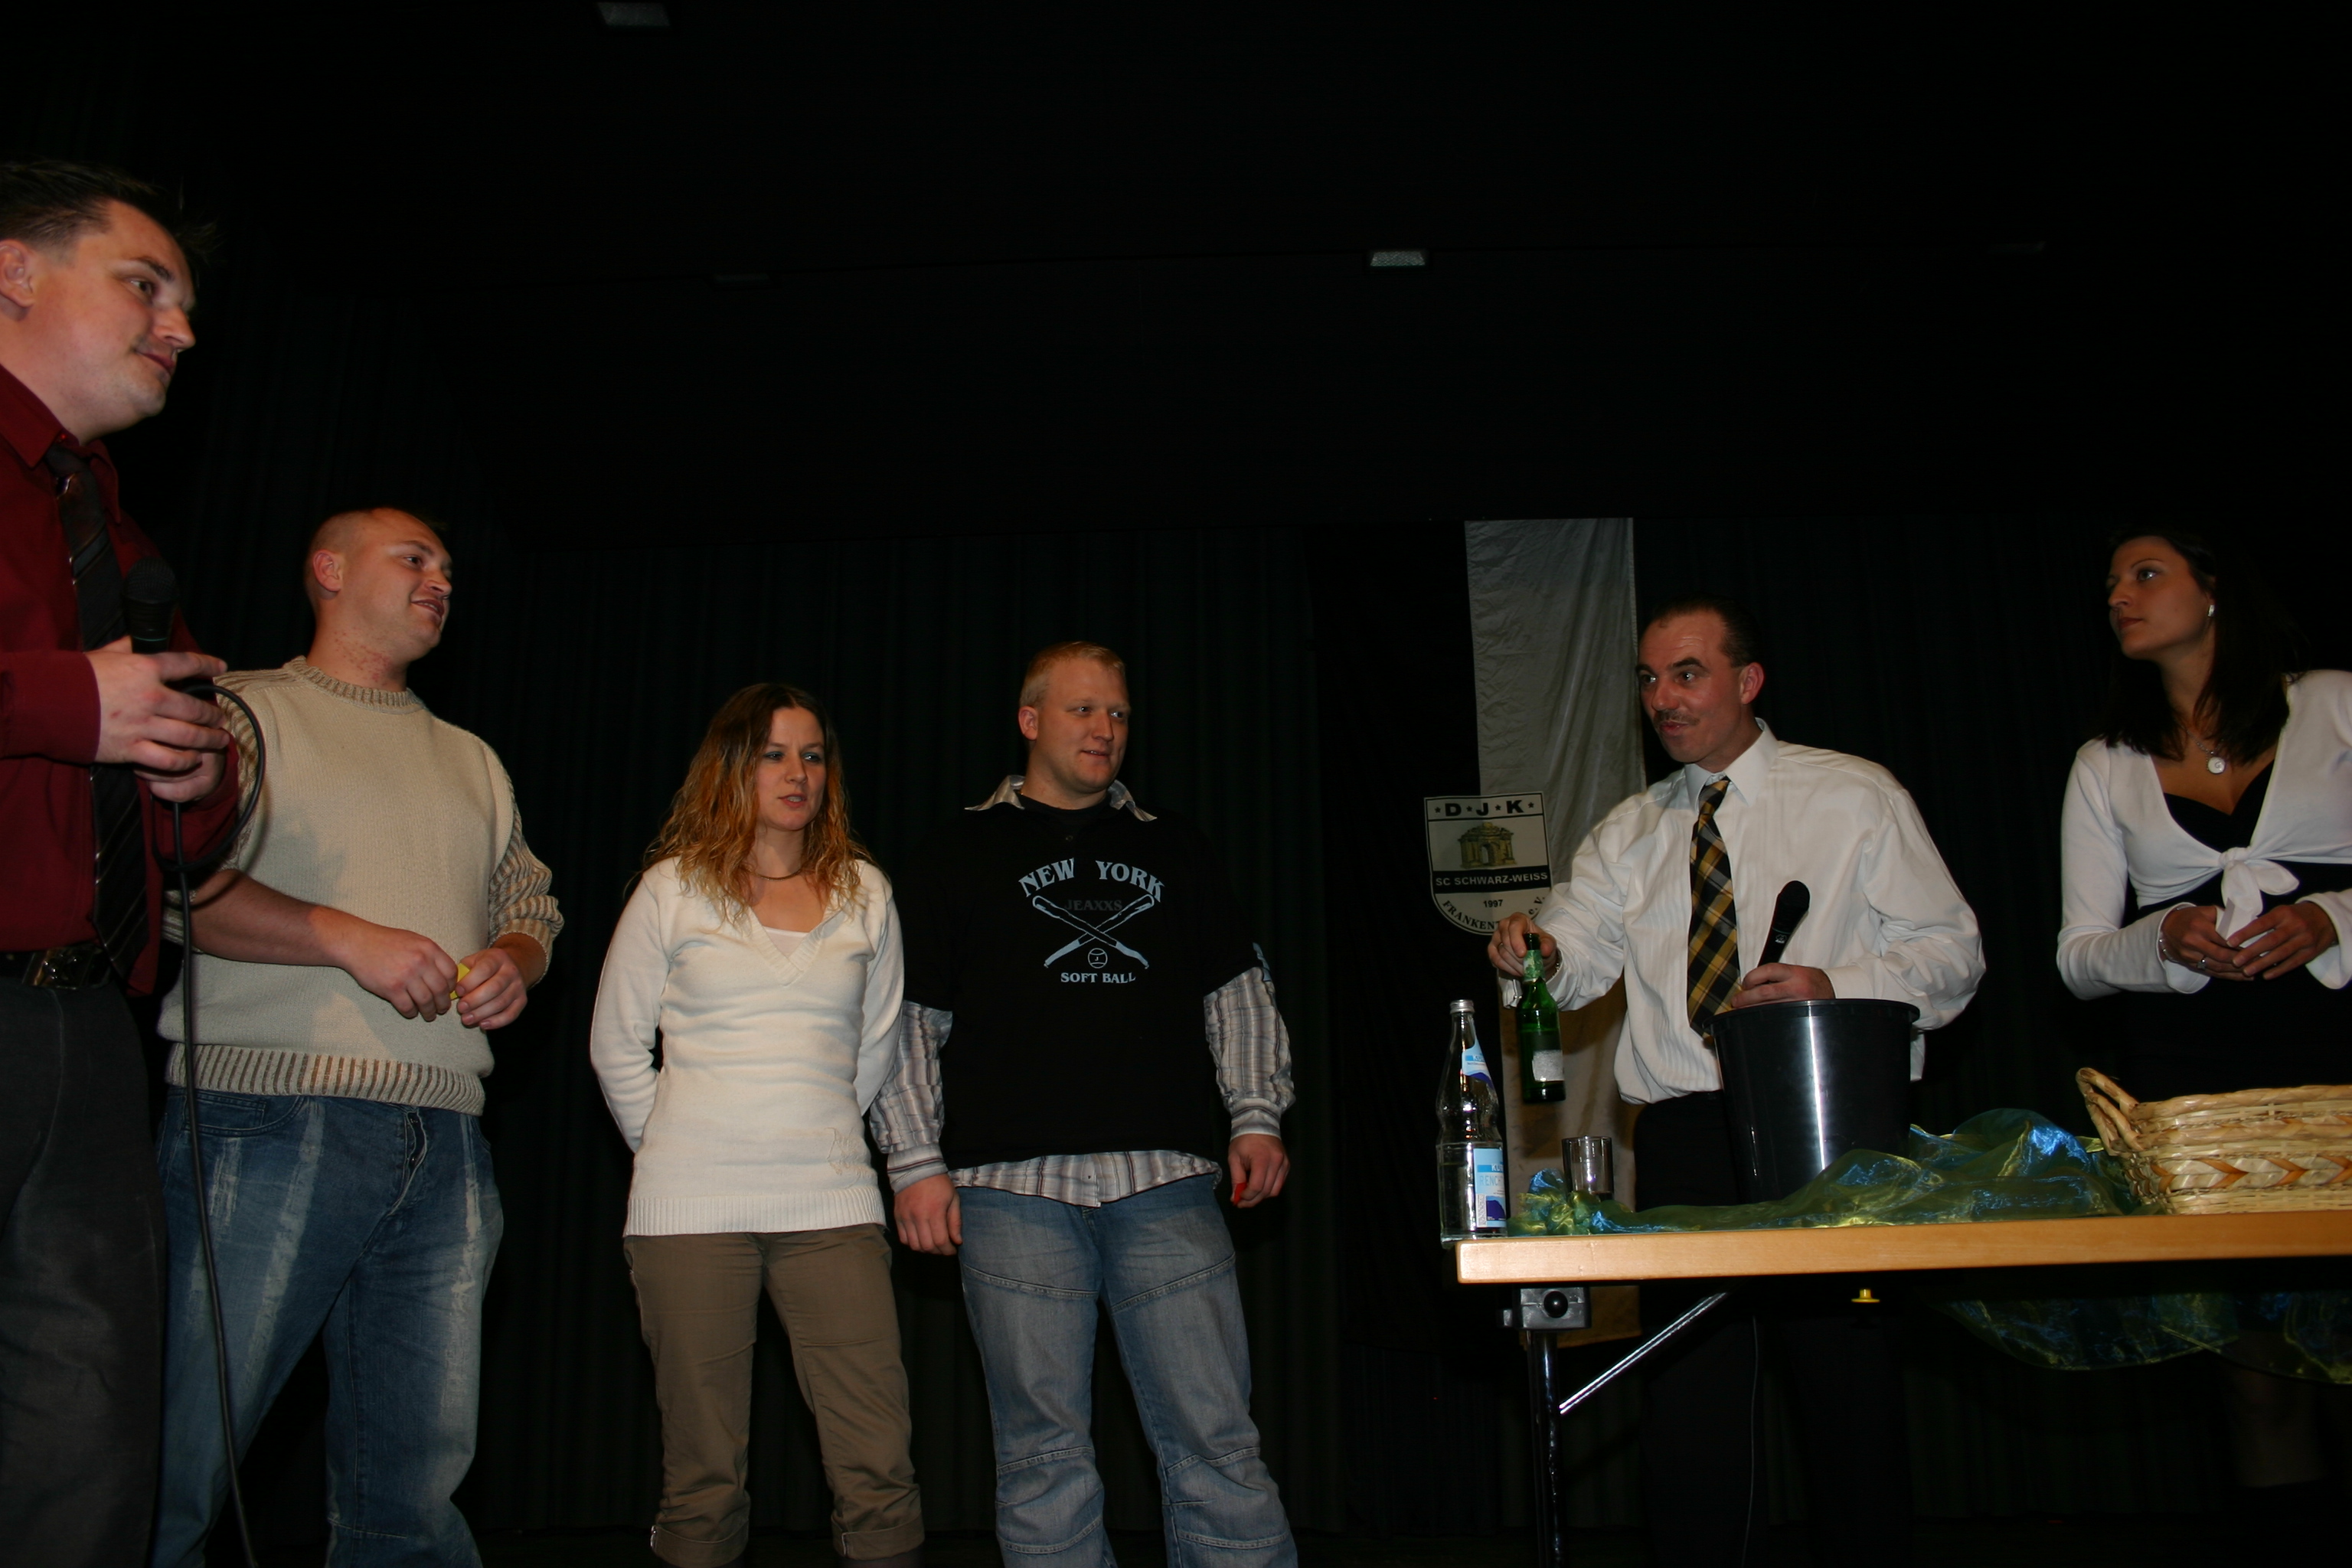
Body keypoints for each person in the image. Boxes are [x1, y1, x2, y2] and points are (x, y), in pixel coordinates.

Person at [1488, 595, 1983, 1568]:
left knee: (1847, 1393)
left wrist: (1835, 985)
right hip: (1683, 1133)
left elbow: (1952, 953)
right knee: (1692, 1409)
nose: (1663, 699)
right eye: (1648, 678)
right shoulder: (1631, 829)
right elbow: (1575, 952)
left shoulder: (1853, 795)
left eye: (1688, 673)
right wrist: (1535, 951)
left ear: (1748, 681)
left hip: (1826, 1118)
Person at [149, 508, 561, 1567]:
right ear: (328, 570)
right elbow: (167, 886)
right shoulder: (242, 712)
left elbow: (532, 904)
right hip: (268, 1117)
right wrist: (342, 936)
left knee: (413, 1500)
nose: (441, 580)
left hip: (448, 1144)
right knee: (176, 1466)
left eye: (449, 567)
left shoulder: (472, 758)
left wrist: (513, 961)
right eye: (414, 558)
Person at [874, 640, 1297, 1568]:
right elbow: (905, 1023)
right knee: (1042, 1459)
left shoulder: (1175, 844)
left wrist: (1256, 1114)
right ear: (1030, 720)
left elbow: (1237, 992)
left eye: (1118, 713)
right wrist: (914, 1162)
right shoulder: (955, 852)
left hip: (1166, 1180)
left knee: (1218, 1441)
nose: (1105, 728)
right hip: (1008, 1190)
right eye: (1082, 709)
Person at [0, 158, 238, 1567]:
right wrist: (63, 702)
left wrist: (200, 772)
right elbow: (69, 701)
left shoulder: (111, 520)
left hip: (88, 1024)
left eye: (186, 303)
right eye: (145, 285)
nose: (180, 328)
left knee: (85, 1431)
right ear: (15, 270)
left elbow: (187, 769)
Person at [590, 682, 926, 1568]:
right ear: (732, 766)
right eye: (774, 753)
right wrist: (676, 1148)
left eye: (812, 754)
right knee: (702, 1479)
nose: (797, 772)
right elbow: (615, 1044)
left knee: (879, 1466)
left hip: (831, 1205)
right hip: (689, 1213)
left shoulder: (865, 892)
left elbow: (875, 1046)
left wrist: (812, 1132)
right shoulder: (671, 889)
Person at [2056, 528, 2348, 1510]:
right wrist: (2165, 937)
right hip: (2200, 1084)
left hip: (2337, 1056)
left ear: (2215, 589)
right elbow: (2078, 957)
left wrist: (2332, 917)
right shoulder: (2105, 763)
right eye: (2111, 582)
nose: (2119, 596)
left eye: (2146, 574)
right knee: (2256, 1368)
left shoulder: (2335, 702)